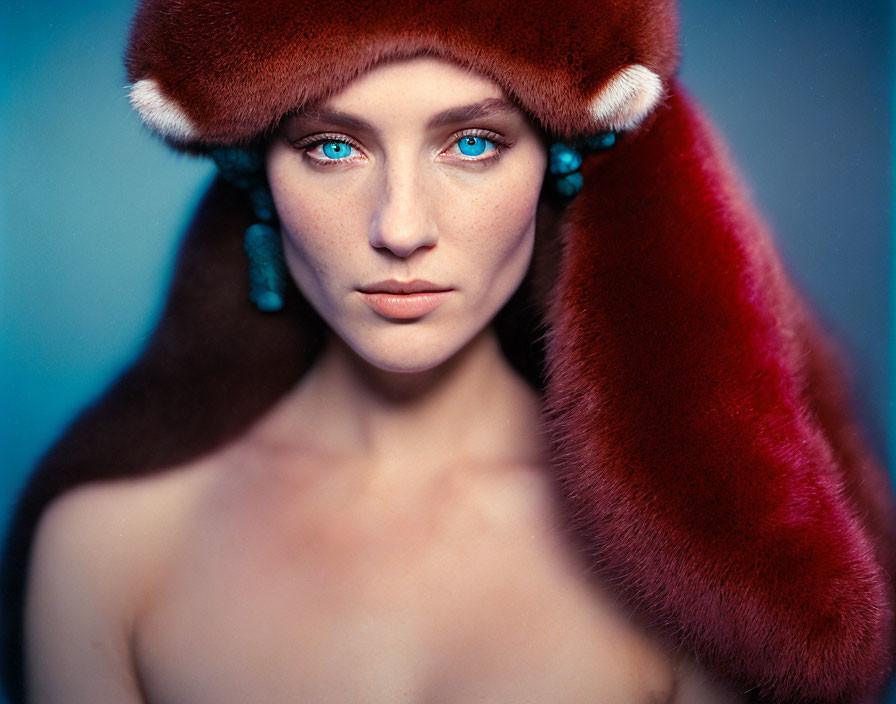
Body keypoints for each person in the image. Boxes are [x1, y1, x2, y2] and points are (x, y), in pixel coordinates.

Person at [3, 1, 894, 703]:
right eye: (331, 146)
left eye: (473, 142)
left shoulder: (688, 571)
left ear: (556, 164)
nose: (400, 228)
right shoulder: (106, 546)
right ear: (255, 175)